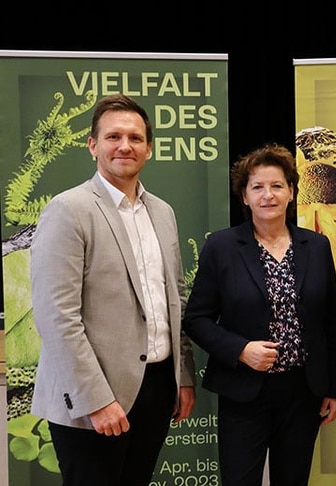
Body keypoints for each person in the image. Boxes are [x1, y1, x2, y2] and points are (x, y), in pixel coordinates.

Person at [30, 93, 197, 486]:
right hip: (95, 397)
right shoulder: (68, 210)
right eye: (113, 137)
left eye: (136, 138)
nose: (125, 146)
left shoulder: (163, 212)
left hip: (156, 388)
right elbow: (57, 317)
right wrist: (96, 400)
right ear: (93, 146)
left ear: (149, 148)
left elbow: (175, 297)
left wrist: (183, 376)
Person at [182, 142, 336, 485]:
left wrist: (335, 388)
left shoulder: (316, 246)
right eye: (257, 187)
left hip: (303, 390)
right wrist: (240, 350)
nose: (267, 195)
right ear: (244, 196)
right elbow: (196, 319)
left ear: (291, 192)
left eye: (277, 186)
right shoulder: (223, 246)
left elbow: (332, 321)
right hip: (244, 391)